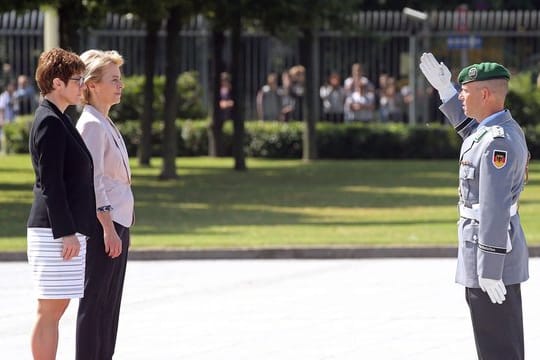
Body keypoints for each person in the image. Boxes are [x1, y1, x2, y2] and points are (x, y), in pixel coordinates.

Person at [420, 52, 529, 359]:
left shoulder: (497, 142)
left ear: (484, 94)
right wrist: (446, 90)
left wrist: (490, 269)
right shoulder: (498, 129)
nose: (462, 97)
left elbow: (493, 209)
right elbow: (470, 131)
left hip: (491, 258)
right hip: (489, 255)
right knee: (497, 341)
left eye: (465, 92)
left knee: (497, 348)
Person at [26, 48, 96, 360]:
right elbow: (50, 182)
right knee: (50, 309)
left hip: (63, 228)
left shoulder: (59, 118)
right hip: (53, 230)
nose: (83, 86)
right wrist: (66, 232)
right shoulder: (50, 122)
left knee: (58, 306)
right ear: (58, 83)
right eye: (78, 80)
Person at [75, 49, 134, 360]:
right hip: (105, 226)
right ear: (92, 84)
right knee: (95, 302)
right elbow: (94, 180)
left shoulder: (105, 122)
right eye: (113, 80)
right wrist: (108, 228)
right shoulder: (91, 125)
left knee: (109, 305)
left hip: (119, 222)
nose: (120, 85)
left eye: (119, 79)